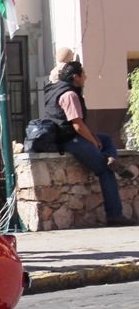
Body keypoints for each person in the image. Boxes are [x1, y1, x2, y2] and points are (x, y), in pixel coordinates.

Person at [44, 61, 136, 226]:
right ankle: (114, 215)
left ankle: (112, 159)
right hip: (69, 139)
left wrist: (94, 137)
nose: (85, 77)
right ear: (76, 77)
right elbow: (77, 126)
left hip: (65, 135)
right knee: (105, 172)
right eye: (83, 74)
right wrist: (93, 141)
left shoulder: (55, 90)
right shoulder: (70, 95)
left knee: (105, 139)